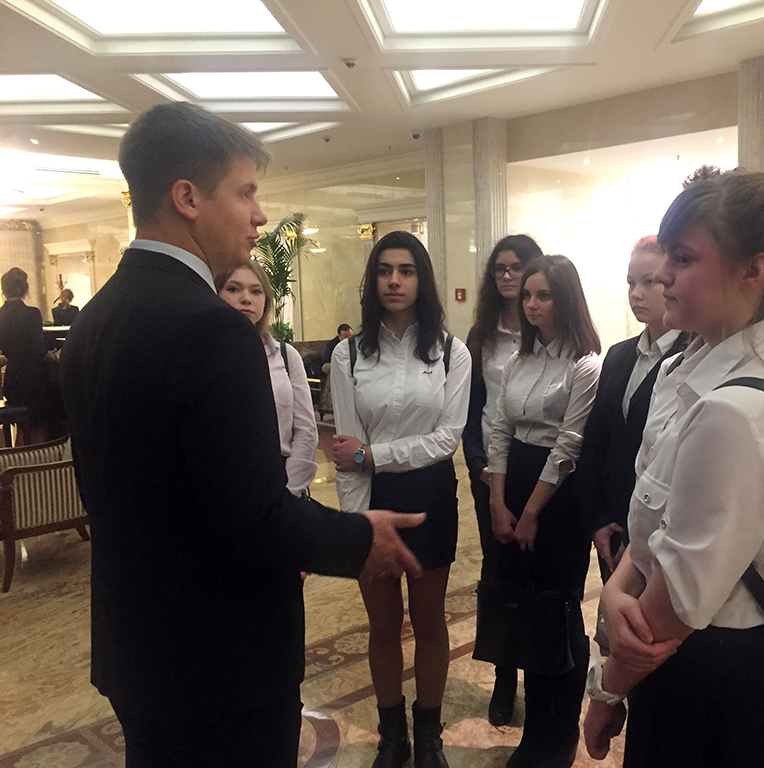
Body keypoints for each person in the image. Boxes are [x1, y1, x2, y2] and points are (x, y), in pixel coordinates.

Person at [59, 102, 424, 768]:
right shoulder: (210, 328)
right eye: (246, 192)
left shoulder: (94, 319)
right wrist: (359, 537)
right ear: (187, 198)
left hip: (137, 650)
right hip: (220, 664)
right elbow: (252, 518)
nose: (260, 215)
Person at [583, 167, 764, 768]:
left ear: (754, 270)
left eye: (683, 258)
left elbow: (676, 603)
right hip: (699, 662)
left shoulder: (736, 408)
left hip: (721, 683)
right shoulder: (690, 367)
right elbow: (660, 522)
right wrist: (616, 591)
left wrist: (606, 689)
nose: (663, 276)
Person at [330, 229, 471, 768]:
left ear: (422, 280)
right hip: (372, 500)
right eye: (385, 270)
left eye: (406, 271)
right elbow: (346, 452)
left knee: (430, 624)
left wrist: (372, 454)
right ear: (372, 281)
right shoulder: (347, 355)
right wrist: (356, 525)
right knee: (383, 627)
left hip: (430, 493)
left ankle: (429, 734)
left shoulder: (452, 352)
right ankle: (392, 735)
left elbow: (446, 440)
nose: (394, 281)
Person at [488, 254, 602, 768]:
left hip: (557, 497)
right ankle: (536, 730)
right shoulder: (519, 360)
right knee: (526, 610)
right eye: (528, 295)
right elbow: (499, 429)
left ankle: (560, 734)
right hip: (513, 485)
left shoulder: (585, 364)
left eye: (544, 295)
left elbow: (569, 445)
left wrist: (532, 512)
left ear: (566, 299)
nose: (531, 305)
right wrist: (498, 502)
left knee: (559, 611)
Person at [577, 236, 689, 588]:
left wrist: (639, 534)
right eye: (630, 283)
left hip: (661, 531)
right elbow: (596, 441)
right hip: (612, 521)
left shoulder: (692, 358)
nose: (636, 294)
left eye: (648, 282)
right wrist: (598, 519)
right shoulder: (618, 355)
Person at [462, 233, 543, 726]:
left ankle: (542, 671)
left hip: (538, 470)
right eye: (500, 269)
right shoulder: (482, 336)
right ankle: (504, 675)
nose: (508, 276)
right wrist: (478, 464)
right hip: (490, 472)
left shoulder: (550, 331)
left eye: (516, 267)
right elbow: (472, 409)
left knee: (537, 572)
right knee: (498, 572)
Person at [216, 260, 318, 496]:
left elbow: (305, 431)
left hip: (283, 479)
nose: (246, 298)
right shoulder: (205, 356)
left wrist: (286, 493)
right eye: (233, 289)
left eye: (256, 291)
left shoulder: (285, 355)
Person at [0, 267, 63, 443]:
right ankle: (44, 455)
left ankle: (21, 456)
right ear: (25, 289)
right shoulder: (31, 314)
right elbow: (39, 351)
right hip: (34, 380)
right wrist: (55, 356)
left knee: (24, 426)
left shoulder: (0, 315)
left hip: (12, 380)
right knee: (41, 423)